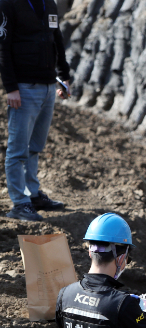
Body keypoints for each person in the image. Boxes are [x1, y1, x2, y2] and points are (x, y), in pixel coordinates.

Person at [0, 0, 72, 221]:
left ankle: (33, 195)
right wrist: (11, 87)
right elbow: (2, 46)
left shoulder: (48, 3)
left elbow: (56, 38)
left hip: (48, 87)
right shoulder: (8, 4)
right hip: (24, 87)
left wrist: (64, 76)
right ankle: (19, 203)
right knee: (18, 149)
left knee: (35, 146)